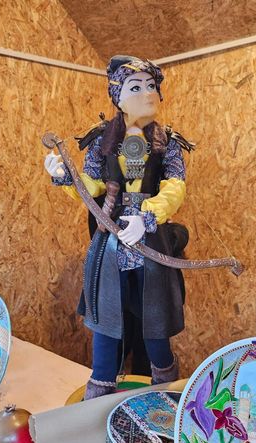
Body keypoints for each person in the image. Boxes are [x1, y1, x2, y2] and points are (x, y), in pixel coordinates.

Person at [45, 55, 193, 400]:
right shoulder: (102, 140)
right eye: (135, 87)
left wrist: (148, 216)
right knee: (106, 314)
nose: (147, 93)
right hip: (111, 240)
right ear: (118, 96)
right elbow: (91, 186)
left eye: (151, 86)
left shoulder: (168, 142)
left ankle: (164, 384)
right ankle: (100, 384)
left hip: (150, 240)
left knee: (155, 317)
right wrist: (64, 176)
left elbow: (175, 187)